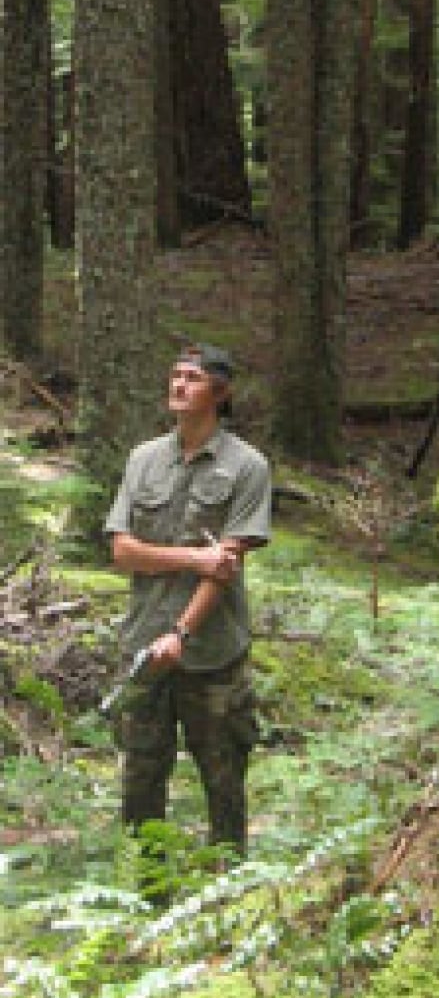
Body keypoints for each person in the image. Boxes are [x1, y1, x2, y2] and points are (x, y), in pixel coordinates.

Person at [104, 343, 271, 856]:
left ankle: (227, 893)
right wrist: (192, 559)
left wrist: (181, 632)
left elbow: (227, 566)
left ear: (219, 394)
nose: (178, 386)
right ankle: (146, 895)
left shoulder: (247, 467)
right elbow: (122, 550)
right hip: (144, 651)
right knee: (140, 783)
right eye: (175, 375)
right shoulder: (143, 460)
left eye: (192, 379)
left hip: (213, 655)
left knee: (223, 784)